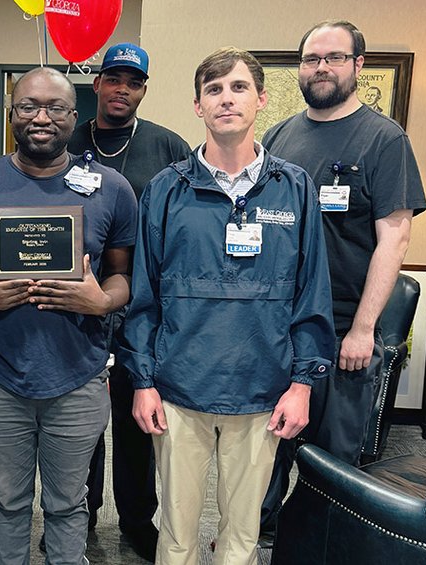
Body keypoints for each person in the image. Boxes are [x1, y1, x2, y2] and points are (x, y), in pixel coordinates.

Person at [118, 48, 335, 565]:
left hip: (264, 388)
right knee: (176, 532)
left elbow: (311, 294)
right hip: (178, 389)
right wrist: (143, 381)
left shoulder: (295, 189)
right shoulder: (167, 191)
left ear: (261, 100)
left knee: (242, 534)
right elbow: (145, 297)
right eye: (214, 90)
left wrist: (302, 384)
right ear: (198, 105)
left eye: (238, 88)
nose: (226, 99)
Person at [0, 67, 138, 565]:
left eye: (55, 108)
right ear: (11, 115)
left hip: (80, 376)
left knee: (69, 505)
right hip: (0, 376)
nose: (41, 118)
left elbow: (124, 278)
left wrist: (102, 302)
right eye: (28, 106)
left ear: (76, 116)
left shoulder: (111, 189)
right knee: (6, 503)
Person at [259, 20, 426, 544]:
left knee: (328, 459)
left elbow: (394, 240)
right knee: (267, 446)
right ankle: (260, 533)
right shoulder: (279, 136)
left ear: (358, 65)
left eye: (334, 57)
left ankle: (313, 546)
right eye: (311, 59)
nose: (321, 68)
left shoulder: (383, 139)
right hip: (279, 326)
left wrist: (363, 329)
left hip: (341, 329)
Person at [66, 42, 190, 561]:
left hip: (143, 308)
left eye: (133, 82)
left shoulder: (168, 146)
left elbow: (187, 225)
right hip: (79, 303)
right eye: (113, 79)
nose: (122, 89)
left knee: (138, 416)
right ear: (97, 84)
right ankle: (83, 512)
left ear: (143, 89)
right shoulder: (67, 141)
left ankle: (138, 518)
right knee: (83, 419)